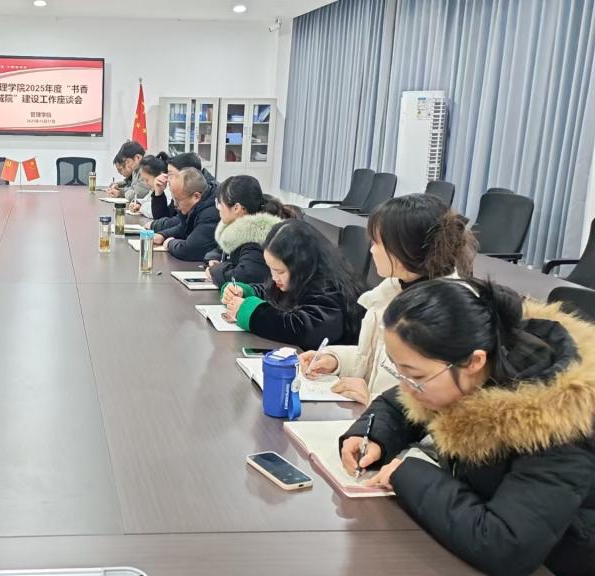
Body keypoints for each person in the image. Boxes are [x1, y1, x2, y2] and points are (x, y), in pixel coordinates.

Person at [338, 279, 595, 575]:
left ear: (474, 362)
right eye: (398, 371)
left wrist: (408, 475)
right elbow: (397, 403)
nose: (405, 387)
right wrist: (371, 435)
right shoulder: (473, 364)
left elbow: (504, 546)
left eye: (414, 376)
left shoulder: (559, 425)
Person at [300, 194, 477, 403]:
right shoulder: (394, 290)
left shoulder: (449, 313)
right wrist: (335, 360)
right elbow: (376, 359)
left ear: (404, 250)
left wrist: (373, 399)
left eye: (377, 243)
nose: (371, 250)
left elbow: (440, 400)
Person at [222, 220, 364, 350]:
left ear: (300, 265)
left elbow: (305, 329)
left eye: (279, 271)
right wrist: (247, 291)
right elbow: (274, 294)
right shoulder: (299, 278)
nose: (274, 277)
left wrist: (255, 314)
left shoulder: (329, 287)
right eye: (271, 269)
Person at [203, 175, 298, 287]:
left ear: (237, 208)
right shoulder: (238, 229)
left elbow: (245, 277)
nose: (218, 208)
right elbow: (220, 250)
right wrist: (214, 258)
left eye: (219, 203)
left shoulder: (257, 236)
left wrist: (215, 270)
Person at [148, 167, 220, 262]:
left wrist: (170, 243)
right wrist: (163, 235)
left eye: (178, 200)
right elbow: (184, 227)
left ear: (196, 196)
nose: (175, 205)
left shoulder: (212, 212)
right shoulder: (199, 204)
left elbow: (191, 250)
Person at [149, 152, 218, 221]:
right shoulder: (182, 188)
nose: (167, 179)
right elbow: (167, 217)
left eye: (170, 174)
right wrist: (159, 193)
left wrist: (154, 225)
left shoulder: (209, 195)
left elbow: (177, 222)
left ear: (187, 174)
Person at [127, 154, 168, 218]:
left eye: (147, 180)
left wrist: (141, 207)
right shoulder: (153, 189)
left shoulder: (167, 190)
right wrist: (137, 203)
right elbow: (146, 200)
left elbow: (154, 211)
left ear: (160, 175)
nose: (146, 183)